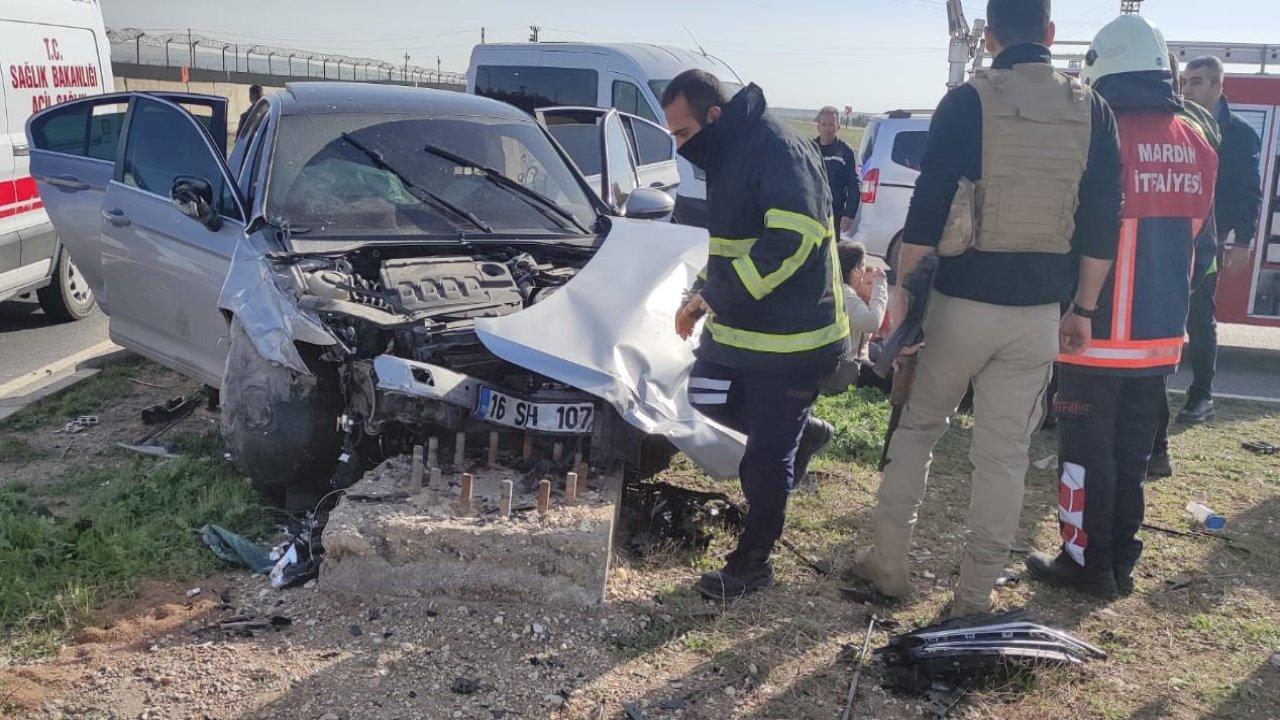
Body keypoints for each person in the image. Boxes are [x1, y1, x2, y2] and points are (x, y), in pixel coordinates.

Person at [846, 0, 1123, 618]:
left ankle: (888, 564)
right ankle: (972, 599)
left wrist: (905, 310)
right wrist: (1083, 308)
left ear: (989, 37)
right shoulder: (1092, 110)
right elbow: (1105, 218)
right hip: (1037, 316)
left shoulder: (967, 101)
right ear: (1051, 35)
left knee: (918, 429)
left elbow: (925, 214)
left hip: (956, 305)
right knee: (1004, 456)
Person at [1025, 14, 1219, 598]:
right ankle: (1122, 560)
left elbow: (1073, 229)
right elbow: (1202, 240)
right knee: (1131, 456)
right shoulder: (1197, 138)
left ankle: (1084, 564)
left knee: (1084, 456)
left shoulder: (1098, 133)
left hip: (1096, 329)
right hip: (1161, 334)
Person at [662, 70, 846, 600]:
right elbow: (732, 248)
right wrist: (700, 293)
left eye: (682, 134)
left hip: (794, 338)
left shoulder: (776, 149)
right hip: (743, 331)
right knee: (703, 392)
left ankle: (752, 563)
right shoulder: (729, 152)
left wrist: (715, 297)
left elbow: (792, 241)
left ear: (714, 117)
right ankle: (802, 431)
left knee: (764, 460)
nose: (679, 147)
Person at [1154, 56, 1263, 428]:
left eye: (1197, 82)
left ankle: (1202, 396)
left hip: (1210, 242)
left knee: (1200, 318)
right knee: (1162, 315)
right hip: (1173, 237)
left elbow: (1249, 193)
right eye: (1184, 82)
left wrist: (1242, 241)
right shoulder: (1176, 126)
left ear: (1219, 86)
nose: (1187, 89)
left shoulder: (1239, 133)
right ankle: (1154, 389)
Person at [821, 241, 889, 394]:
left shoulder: (833, 287)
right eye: (864, 265)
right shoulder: (845, 293)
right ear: (856, 269)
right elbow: (872, 322)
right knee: (890, 376)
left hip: (835, 365)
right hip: (844, 369)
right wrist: (880, 285)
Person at [814, 106, 862, 236]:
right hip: (812, 212)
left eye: (831, 124)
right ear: (818, 126)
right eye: (824, 124)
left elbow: (854, 185)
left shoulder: (845, 151)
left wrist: (849, 215)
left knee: (831, 253)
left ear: (838, 127)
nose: (827, 129)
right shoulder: (809, 149)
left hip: (834, 214)